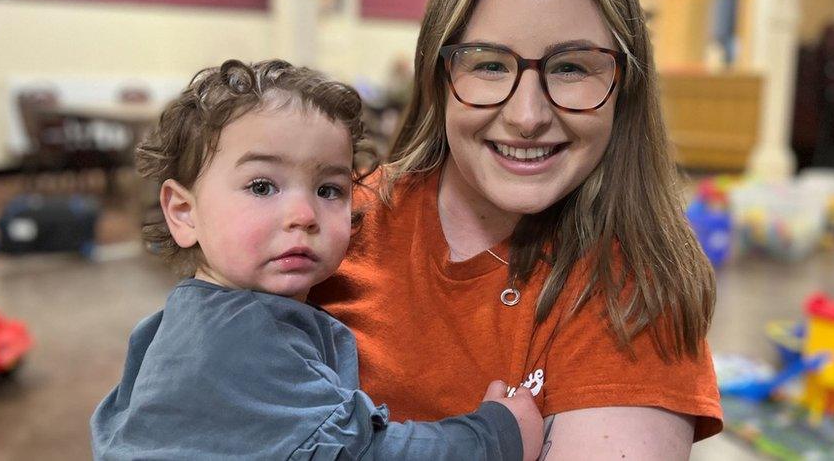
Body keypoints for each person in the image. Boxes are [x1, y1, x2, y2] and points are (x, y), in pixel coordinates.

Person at [309, 0, 723, 459]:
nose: (527, 115)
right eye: (488, 64)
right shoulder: (333, 225)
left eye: (572, 67)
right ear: (439, 78)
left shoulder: (631, 291)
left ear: (626, 87)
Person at [91, 59, 543, 460]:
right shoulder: (241, 342)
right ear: (183, 213)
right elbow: (361, 453)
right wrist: (495, 435)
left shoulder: (187, 319)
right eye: (262, 187)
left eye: (329, 190)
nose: (304, 216)